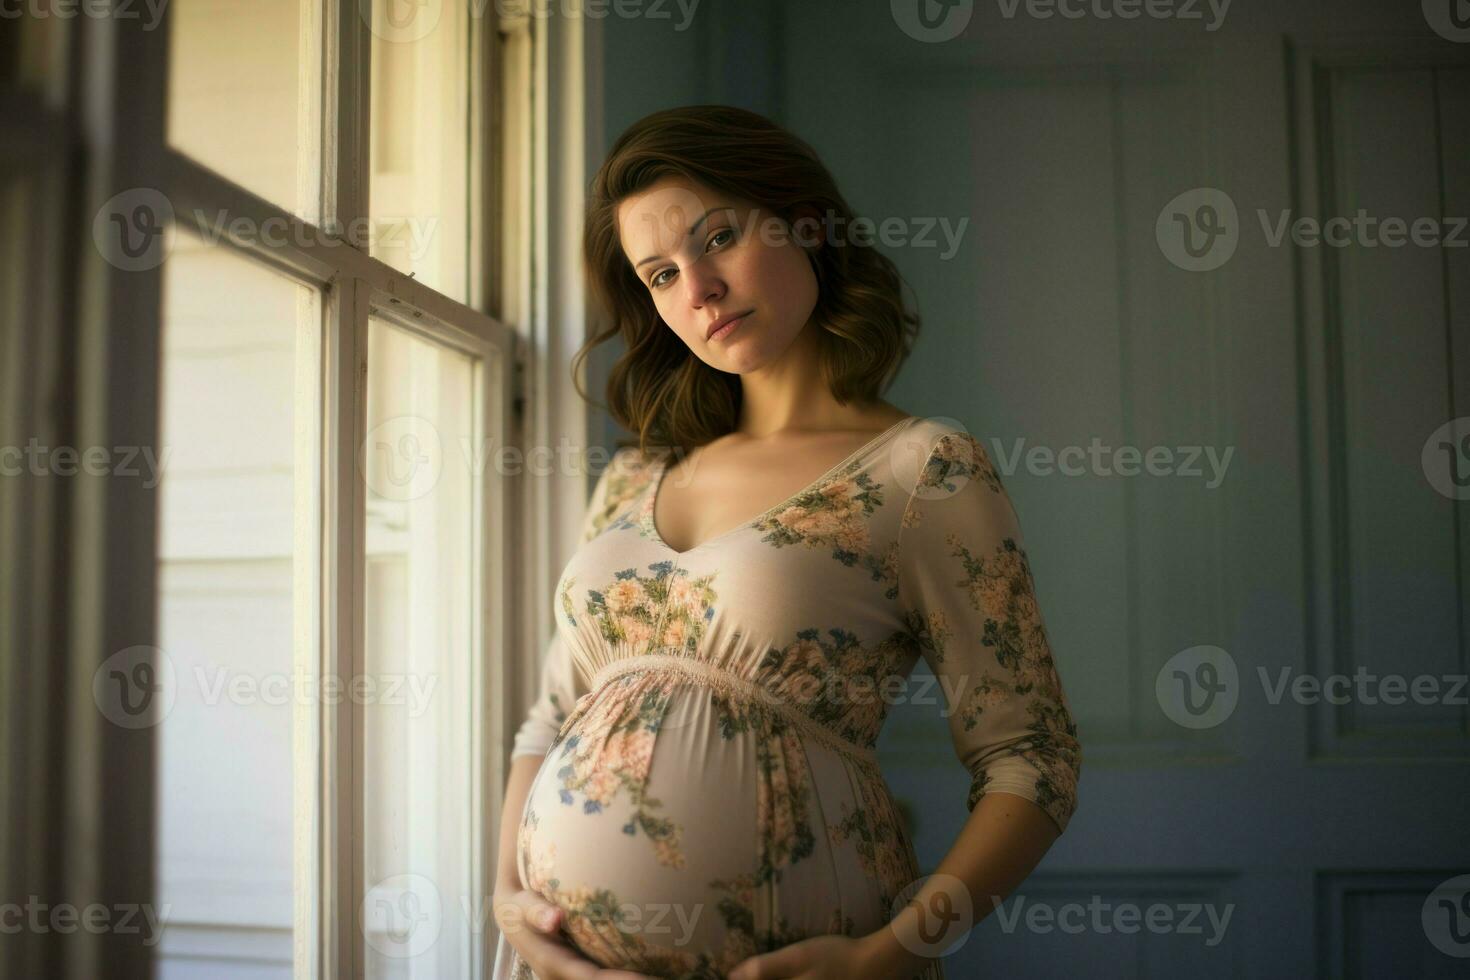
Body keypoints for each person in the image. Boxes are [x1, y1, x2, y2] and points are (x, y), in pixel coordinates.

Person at [491, 104, 1081, 980]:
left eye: (718, 237)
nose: (697, 290)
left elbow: (1032, 759)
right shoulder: (632, 477)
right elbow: (552, 715)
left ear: (806, 223)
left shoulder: (921, 471)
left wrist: (890, 952)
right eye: (659, 274)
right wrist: (510, 900)